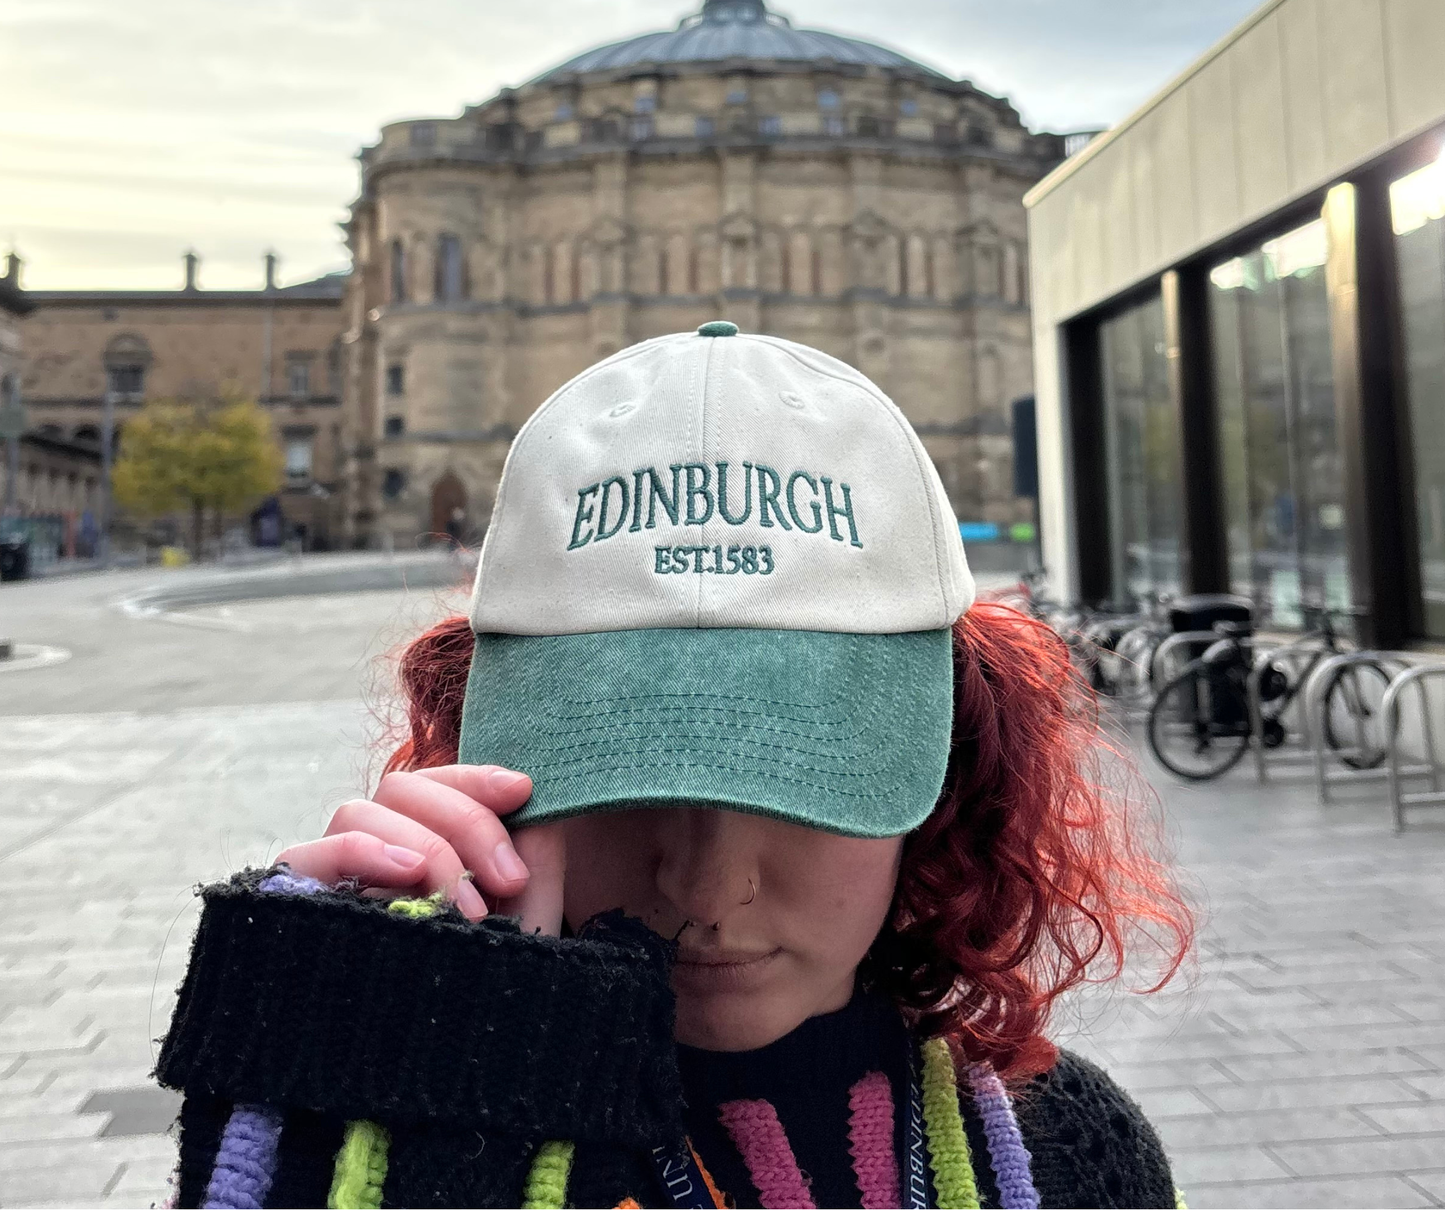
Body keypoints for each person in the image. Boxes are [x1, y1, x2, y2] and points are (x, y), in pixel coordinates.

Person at [158, 323, 1191, 1209]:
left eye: (802, 782)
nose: (702, 887)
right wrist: (320, 1075)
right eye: (626, 777)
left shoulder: (1072, 1156)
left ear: (956, 763)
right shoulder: (363, 1113)